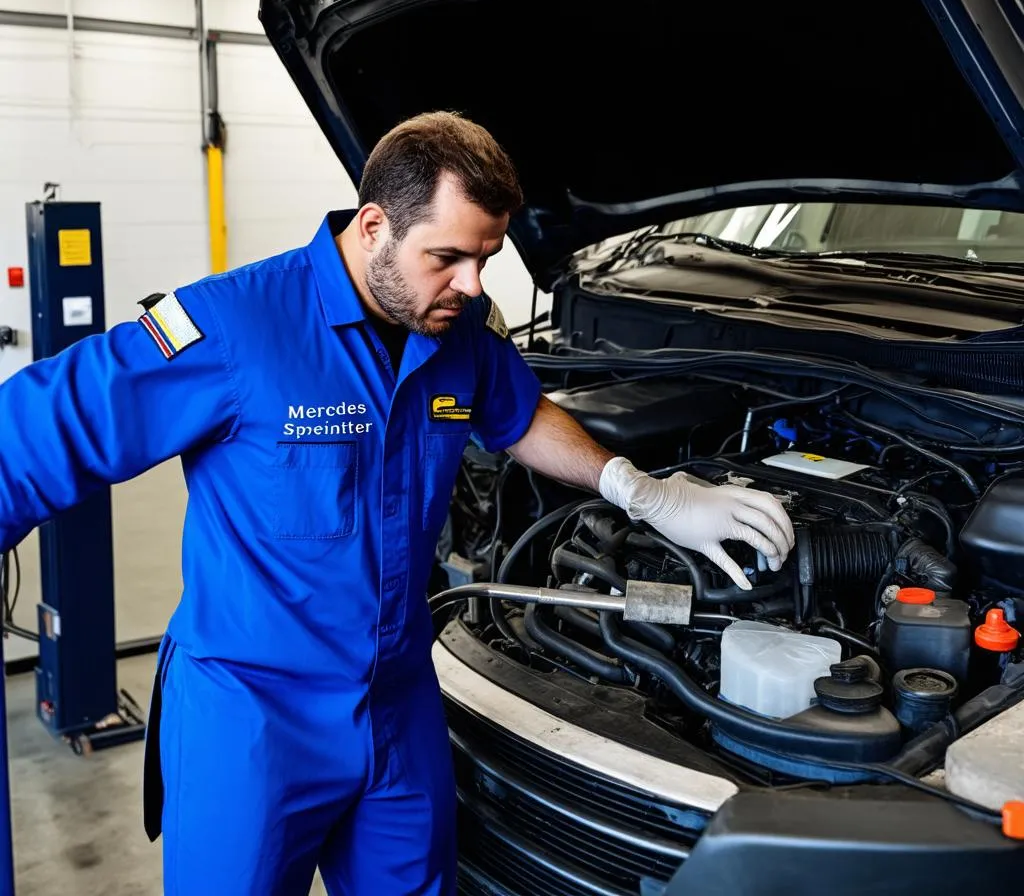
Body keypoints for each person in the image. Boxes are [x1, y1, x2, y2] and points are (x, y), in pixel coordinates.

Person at [0, 111, 794, 895]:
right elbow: (42, 426)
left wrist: (642, 491)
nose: (473, 284)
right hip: (252, 715)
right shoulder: (234, 325)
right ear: (373, 225)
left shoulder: (458, 329)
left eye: (486, 258)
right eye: (447, 256)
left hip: (396, 696)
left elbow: (518, 415)